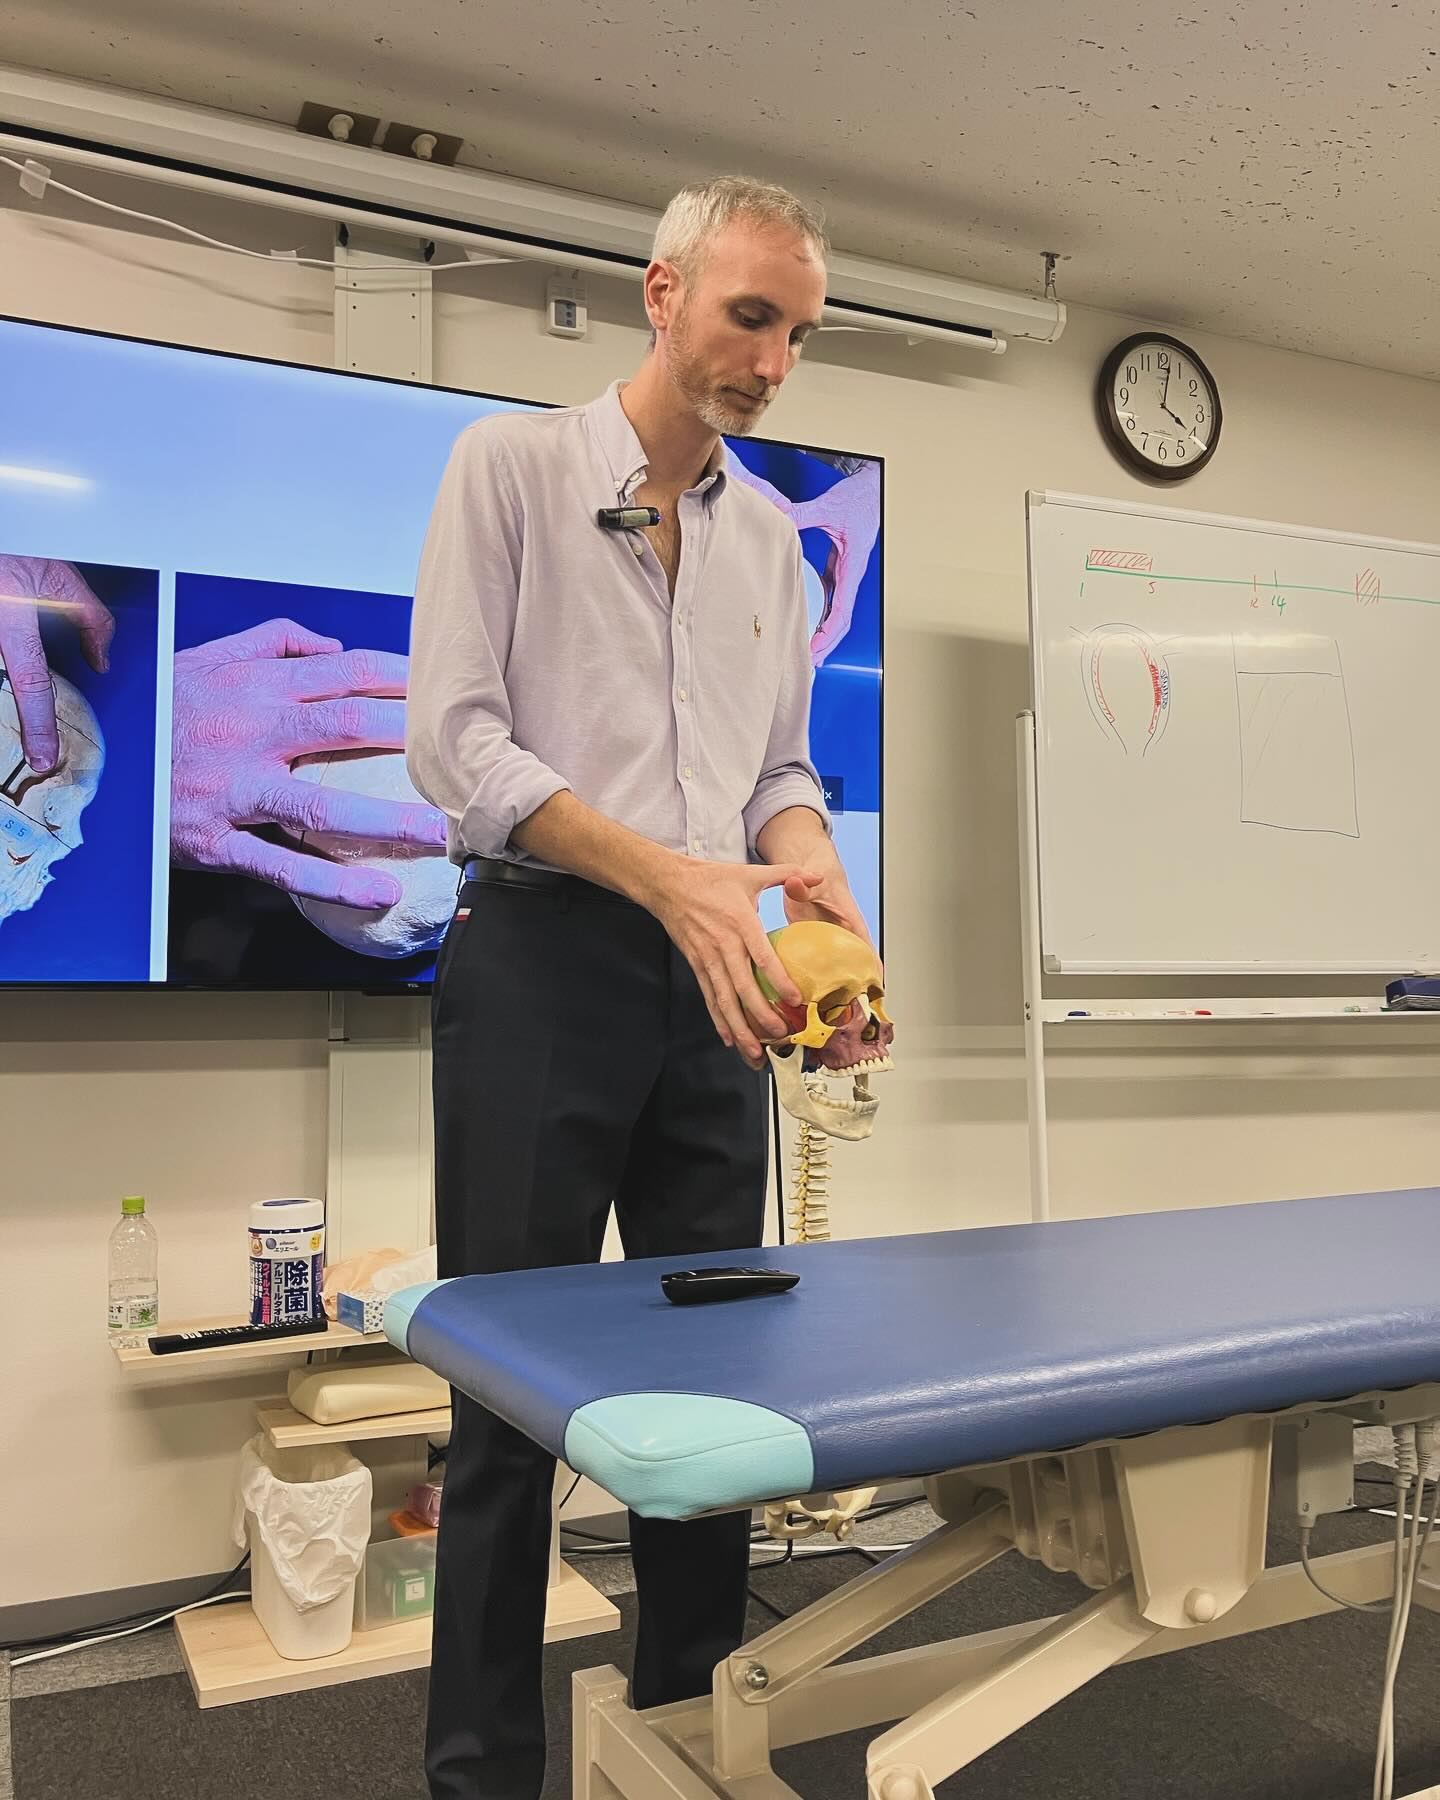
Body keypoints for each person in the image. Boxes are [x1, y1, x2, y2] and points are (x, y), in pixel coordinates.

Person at [405, 173, 870, 1800]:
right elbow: (454, 745)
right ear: (661, 293)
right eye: (750, 317)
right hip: (542, 960)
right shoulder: (511, 470)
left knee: (713, 1395)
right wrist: (665, 876)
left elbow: (779, 768)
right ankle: (482, 1775)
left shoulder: (776, 543)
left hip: (719, 977)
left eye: (799, 333)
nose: (774, 362)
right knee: (507, 1401)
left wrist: (811, 872)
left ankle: (686, 1742)